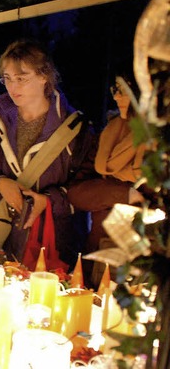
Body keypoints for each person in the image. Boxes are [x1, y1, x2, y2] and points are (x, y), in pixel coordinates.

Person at [0, 39, 93, 267]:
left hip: (52, 241)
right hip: (1, 237)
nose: (13, 87)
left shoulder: (76, 130)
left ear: (45, 76)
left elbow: (87, 186)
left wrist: (49, 201)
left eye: (21, 78)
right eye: (7, 79)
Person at [67, 70, 146, 285]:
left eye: (124, 91)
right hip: (98, 253)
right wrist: (125, 193)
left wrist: (104, 193)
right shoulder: (109, 132)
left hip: (140, 262)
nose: (116, 97)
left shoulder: (159, 143)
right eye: (115, 90)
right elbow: (76, 193)